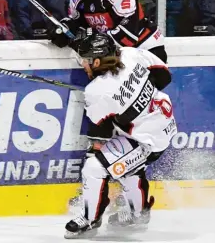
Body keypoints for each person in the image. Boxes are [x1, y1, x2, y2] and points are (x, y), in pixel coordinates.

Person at [63, 31, 177, 239]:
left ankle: (90, 219)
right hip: (165, 123)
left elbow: (101, 134)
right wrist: (138, 99)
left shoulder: (97, 91)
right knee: (126, 166)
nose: (84, 65)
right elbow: (164, 76)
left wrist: (120, 112)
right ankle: (138, 214)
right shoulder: (131, 54)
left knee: (94, 168)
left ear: (97, 61)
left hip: (145, 141)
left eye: (87, 61)